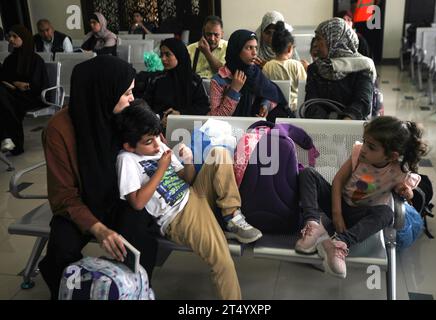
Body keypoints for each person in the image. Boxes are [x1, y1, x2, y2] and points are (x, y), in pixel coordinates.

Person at [114, 100, 263, 299]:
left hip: (194, 194)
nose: (157, 144)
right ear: (129, 146)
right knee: (222, 262)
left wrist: (189, 161)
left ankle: (232, 215)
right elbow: (137, 202)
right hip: (178, 217)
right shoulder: (127, 160)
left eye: (158, 136)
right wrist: (161, 168)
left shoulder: (161, 150)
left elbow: (188, 178)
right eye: (148, 142)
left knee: (219, 154)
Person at [38, 55, 158, 300]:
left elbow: (153, 146)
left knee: (136, 239)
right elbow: (64, 196)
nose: (132, 99)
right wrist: (99, 229)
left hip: (121, 198)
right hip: (81, 203)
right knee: (60, 251)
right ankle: (74, 293)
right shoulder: (59, 130)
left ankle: (132, 291)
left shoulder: (126, 116)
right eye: (126, 93)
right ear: (104, 93)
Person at [295, 116, 428, 278]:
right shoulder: (359, 154)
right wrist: (337, 215)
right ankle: (312, 224)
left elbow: (407, 192)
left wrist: (406, 191)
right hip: (337, 204)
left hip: (360, 216)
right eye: (364, 141)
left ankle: (339, 243)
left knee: (386, 213)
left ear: (391, 156)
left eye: (371, 147)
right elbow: (338, 181)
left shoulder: (400, 171)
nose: (364, 148)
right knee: (308, 173)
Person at [209, 29, 292, 122]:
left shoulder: (255, 73)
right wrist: (234, 91)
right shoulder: (219, 80)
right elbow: (216, 118)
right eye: (249, 48)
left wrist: (265, 106)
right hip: (227, 131)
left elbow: (270, 94)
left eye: (255, 47)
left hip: (253, 129)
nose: (254, 53)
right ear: (236, 50)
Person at [304, 18, 376, 120]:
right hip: (322, 125)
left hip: (352, 125)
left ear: (334, 40)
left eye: (319, 39)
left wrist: (347, 119)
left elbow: (362, 102)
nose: (315, 44)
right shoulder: (315, 68)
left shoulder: (363, 66)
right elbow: (311, 103)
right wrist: (326, 123)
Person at [0, 25, 49, 155]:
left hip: (31, 97)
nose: (11, 39)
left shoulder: (35, 60)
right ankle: (9, 140)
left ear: (24, 38)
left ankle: (7, 138)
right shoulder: (9, 60)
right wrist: (15, 85)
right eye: (9, 36)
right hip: (11, 95)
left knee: (4, 100)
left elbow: (38, 85)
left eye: (15, 36)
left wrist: (20, 86)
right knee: (4, 98)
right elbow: (4, 78)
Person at [143, 38, 209, 128]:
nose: (163, 59)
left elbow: (203, 107)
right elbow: (145, 107)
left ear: (179, 55)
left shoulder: (194, 81)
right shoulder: (156, 79)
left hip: (188, 127)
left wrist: (181, 114)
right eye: (161, 55)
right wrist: (159, 119)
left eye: (167, 54)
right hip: (159, 127)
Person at [263, 21, 307, 113]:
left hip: (275, 109)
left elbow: (265, 89)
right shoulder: (296, 65)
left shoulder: (267, 66)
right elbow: (304, 88)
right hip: (296, 109)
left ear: (272, 47)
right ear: (290, 48)